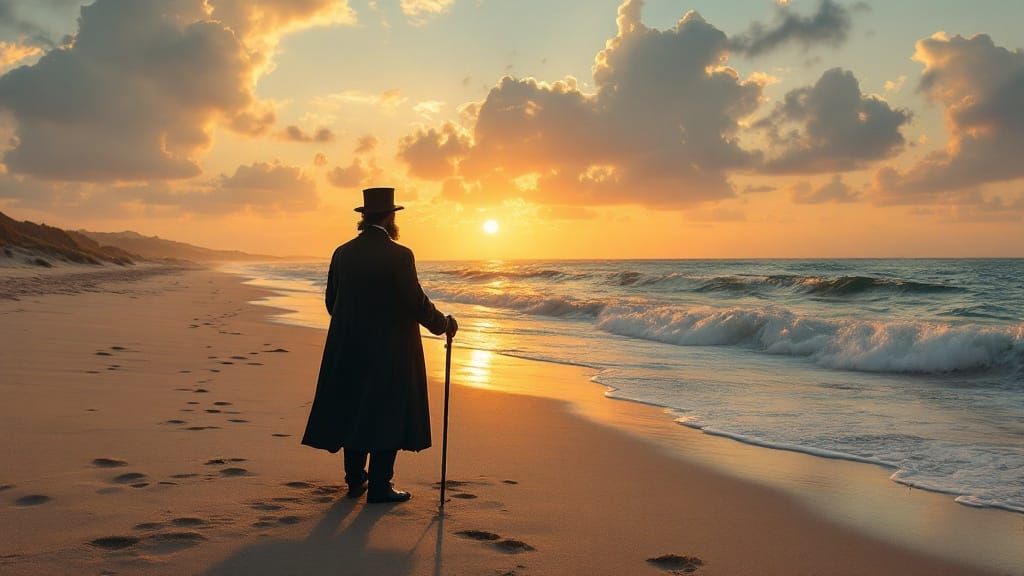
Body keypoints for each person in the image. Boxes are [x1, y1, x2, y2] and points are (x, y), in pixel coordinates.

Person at [301, 187, 458, 504]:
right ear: (390, 218)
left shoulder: (342, 253)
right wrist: (443, 324)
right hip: (390, 351)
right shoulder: (400, 255)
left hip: (347, 347)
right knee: (387, 411)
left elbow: (333, 302)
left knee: (354, 409)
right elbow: (415, 302)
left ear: (364, 217)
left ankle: (355, 481)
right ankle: (380, 486)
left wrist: (353, 323)